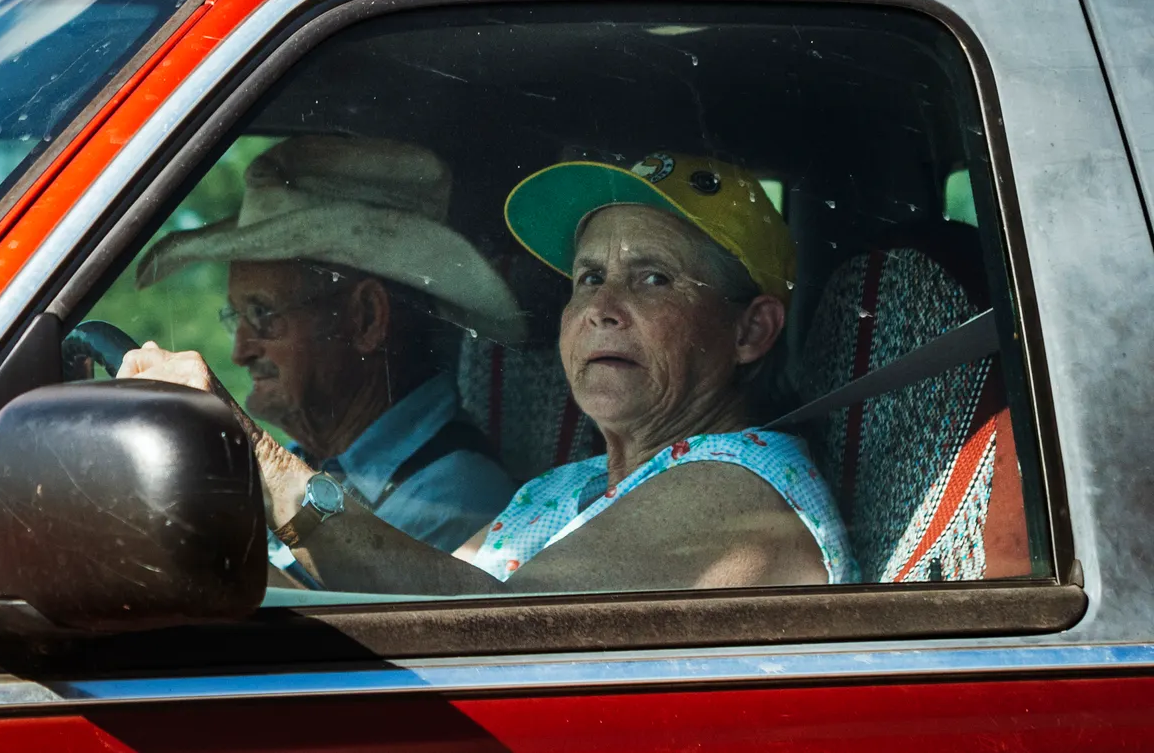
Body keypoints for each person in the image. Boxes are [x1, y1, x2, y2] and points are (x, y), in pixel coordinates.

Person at [121, 149, 858, 595]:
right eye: (587, 277)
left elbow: (479, 624)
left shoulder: (739, 487)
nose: (601, 307)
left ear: (751, 330)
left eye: (654, 278)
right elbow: (402, 617)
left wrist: (257, 460)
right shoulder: (565, 487)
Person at [131, 135, 524, 551]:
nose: (240, 351)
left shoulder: (451, 495)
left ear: (367, 318)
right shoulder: (314, 458)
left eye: (263, 314)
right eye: (237, 316)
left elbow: (317, 601)